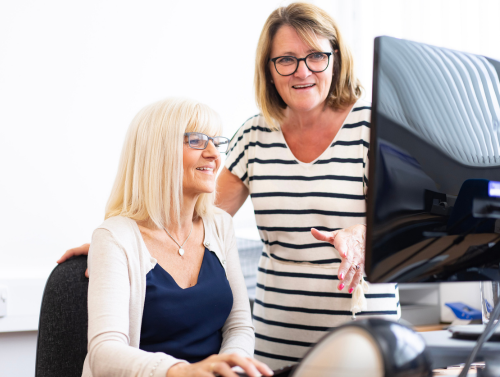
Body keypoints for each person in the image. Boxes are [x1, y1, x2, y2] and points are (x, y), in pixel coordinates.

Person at [60, 2, 400, 370]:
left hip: (360, 332)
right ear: (269, 70)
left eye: (316, 56)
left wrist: (365, 233)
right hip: (277, 339)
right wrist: (122, 243)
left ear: (336, 59)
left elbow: (412, 228)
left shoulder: (373, 127)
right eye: (286, 59)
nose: (302, 71)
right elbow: (192, 216)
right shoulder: (255, 135)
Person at [77, 98, 273, 377]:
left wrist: (230, 368)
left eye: (216, 142)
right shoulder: (114, 238)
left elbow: (239, 325)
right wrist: (182, 372)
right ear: (157, 152)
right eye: (196, 140)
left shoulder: (219, 225)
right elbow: (104, 353)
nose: (214, 155)